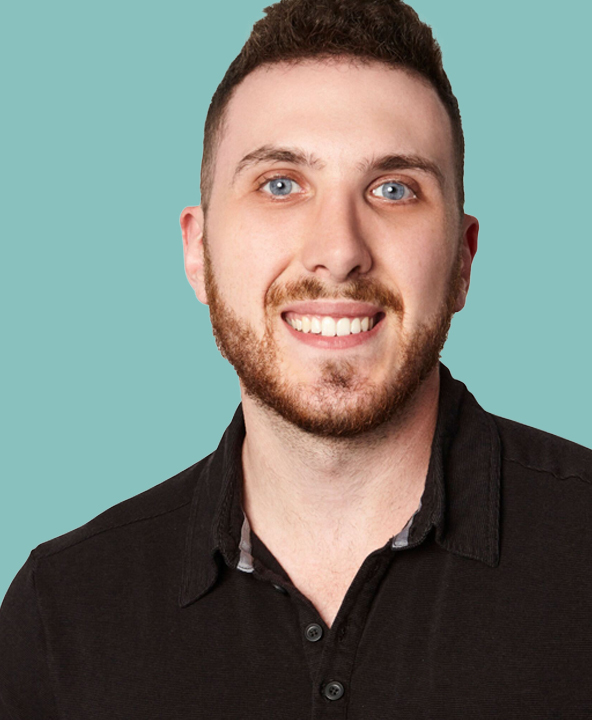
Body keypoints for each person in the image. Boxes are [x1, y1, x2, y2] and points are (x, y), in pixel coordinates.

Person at [1, 0, 591, 716]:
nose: (339, 251)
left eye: (394, 189)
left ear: (463, 261)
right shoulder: (62, 612)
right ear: (198, 251)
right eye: (280, 184)